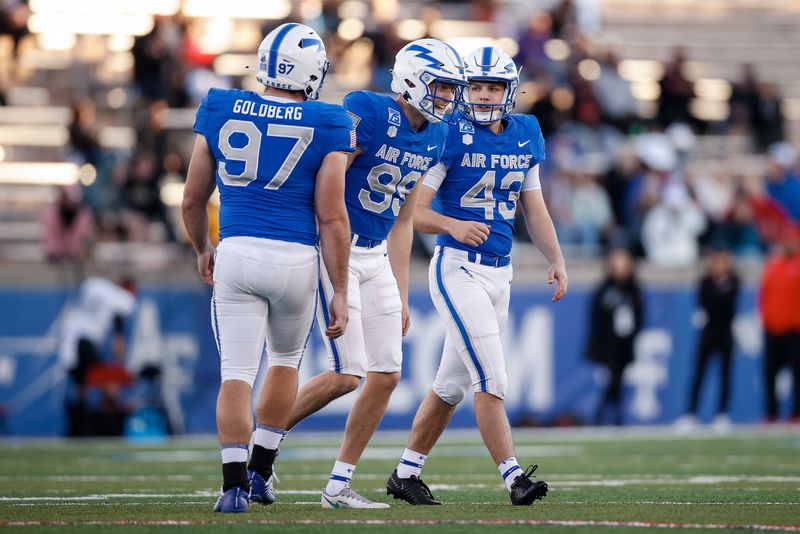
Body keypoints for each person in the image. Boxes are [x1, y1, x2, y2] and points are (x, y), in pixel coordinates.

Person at [280, 38, 466, 509]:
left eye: (449, 88)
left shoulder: (436, 135)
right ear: (409, 80)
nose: (446, 96)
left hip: (376, 254)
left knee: (386, 374)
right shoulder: (368, 110)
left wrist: (402, 294)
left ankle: (338, 485)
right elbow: (330, 178)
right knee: (348, 375)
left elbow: (403, 219)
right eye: (440, 85)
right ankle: (260, 443)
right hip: (335, 250)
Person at [181, 23, 353, 513]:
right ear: (311, 72)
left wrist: (202, 248)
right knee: (284, 363)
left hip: (236, 252)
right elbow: (332, 215)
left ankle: (233, 486)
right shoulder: (328, 120)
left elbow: (193, 200)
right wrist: (339, 288)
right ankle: (260, 471)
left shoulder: (220, 105)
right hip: (296, 258)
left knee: (236, 372)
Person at [385, 46, 568, 506]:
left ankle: (405, 474)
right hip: (457, 269)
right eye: (477, 86)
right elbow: (414, 213)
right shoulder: (448, 134)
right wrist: (453, 225)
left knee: (450, 385)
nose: (484, 95)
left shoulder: (525, 132)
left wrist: (557, 258)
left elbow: (535, 207)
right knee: (492, 379)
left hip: (499, 275)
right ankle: (514, 479)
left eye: (493, 87)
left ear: (509, 90)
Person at [58, 276, 136, 437]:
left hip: (70, 339)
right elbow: (118, 338)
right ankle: (111, 427)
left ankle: (78, 429)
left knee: (82, 386)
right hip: (85, 341)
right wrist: (119, 363)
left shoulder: (95, 285)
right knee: (109, 383)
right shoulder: (122, 299)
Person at [680, 246, 740, 429]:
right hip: (709, 331)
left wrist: (719, 295)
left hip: (725, 331)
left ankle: (722, 413)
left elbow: (727, 306)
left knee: (725, 373)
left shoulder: (734, 281)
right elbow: (706, 304)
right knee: (699, 373)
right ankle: (690, 413)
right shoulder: (705, 281)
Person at [585, 247, 642, 426]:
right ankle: (605, 414)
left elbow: (639, 316)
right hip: (608, 344)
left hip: (625, 342)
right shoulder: (604, 289)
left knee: (618, 378)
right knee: (613, 378)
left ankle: (606, 413)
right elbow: (596, 318)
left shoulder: (633, 288)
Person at [759, 225, 800, 423]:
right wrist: (766, 319)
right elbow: (764, 294)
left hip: (795, 328)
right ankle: (771, 412)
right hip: (773, 328)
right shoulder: (774, 264)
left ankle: (796, 412)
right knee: (769, 373)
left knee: (797, 373)